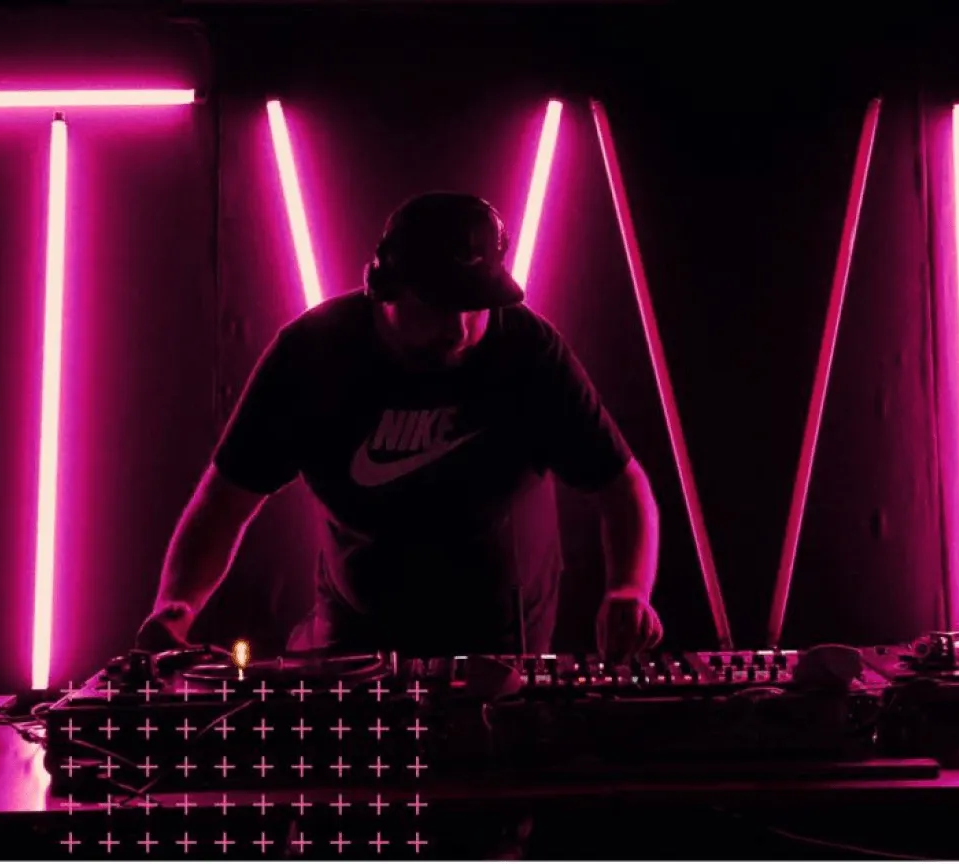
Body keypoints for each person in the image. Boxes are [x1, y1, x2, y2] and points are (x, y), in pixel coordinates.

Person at [134, 192, 663, 661]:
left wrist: (629, 590)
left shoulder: (528, 351)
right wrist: (177, 606)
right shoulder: (312, 355)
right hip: (356, 633)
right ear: (383, 289)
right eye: (438, 306)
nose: (459, 329)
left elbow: (622, 486)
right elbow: (225, 502)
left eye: (475, 307)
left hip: (502, 637)